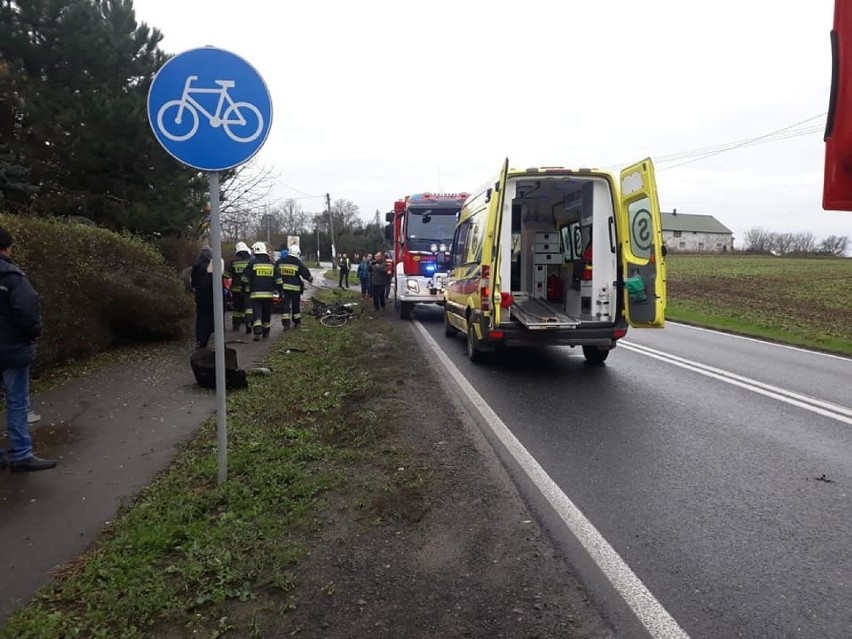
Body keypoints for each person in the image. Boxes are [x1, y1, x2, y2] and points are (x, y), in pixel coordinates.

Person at [0, 227, 56, 472]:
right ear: (7, 248)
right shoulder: (12, 277)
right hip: (12, 350)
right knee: (16, 402)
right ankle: (21, 454)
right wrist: (34, 333)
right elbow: (29, 311)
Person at [274, 244, 313, 330]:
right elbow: (305, 272)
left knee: (285, 305)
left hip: (283, 288)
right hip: (295, 289)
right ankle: (297, 322)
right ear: (298, 253)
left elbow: (275, 272)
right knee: (295, 305)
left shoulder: (280, 261)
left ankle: (286, 324)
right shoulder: (298, 263)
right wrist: (310, 278)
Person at [243, 241, 276, 341]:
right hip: (268, 295)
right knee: (266, 314)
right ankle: (266, 333)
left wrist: (245, 286)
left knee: (257, 313)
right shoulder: (271, 264)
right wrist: (280, 291)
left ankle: (257, 332)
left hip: (255, 295)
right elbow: (278, 279)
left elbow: (245, 278)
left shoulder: (252, 263)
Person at [190, 246, 215, 349]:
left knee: (200, 319)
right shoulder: (213, 264)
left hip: (200, 298)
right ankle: (208, 339)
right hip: (212, 298)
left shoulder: (196, 265)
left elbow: (193, 282)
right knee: (212, 319)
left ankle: (200, 341)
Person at [225, 241, 253, 334]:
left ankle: (236, 326)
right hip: (249, 289)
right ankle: (249, 324)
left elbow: (226, 275)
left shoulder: (232, 261)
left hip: (236, 289)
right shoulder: (252, 260)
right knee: (248, 307)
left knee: (237, 309)